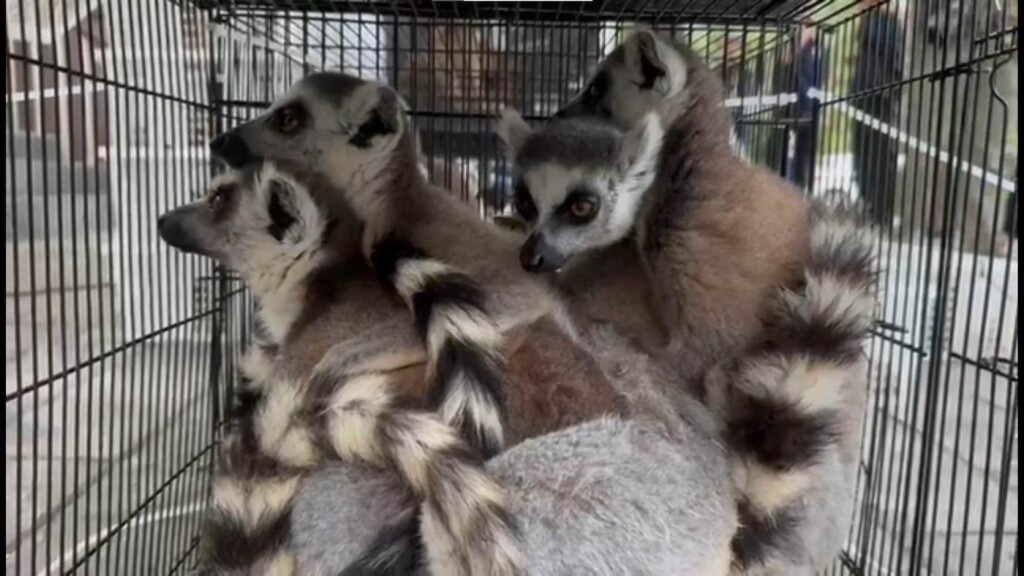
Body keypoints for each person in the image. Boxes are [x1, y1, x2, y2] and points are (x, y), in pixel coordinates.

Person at [851, 0, 905, 226]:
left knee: (877, 157)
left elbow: (892, 58)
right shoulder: (870, 22)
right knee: (864, 154)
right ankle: (870, 206)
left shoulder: (884, 23)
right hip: (866, 94)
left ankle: (878, 211)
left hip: (877, 96)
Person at [788, 24, 827, 190]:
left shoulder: (816, 52)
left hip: (811, 111)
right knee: (795, 155)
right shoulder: (795, 53)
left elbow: (818, 81)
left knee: (806, 155)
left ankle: (804, 188)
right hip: (796, 111)